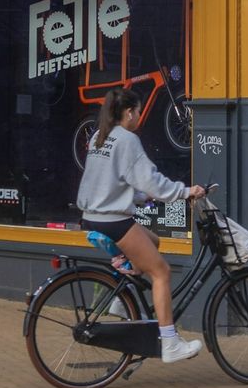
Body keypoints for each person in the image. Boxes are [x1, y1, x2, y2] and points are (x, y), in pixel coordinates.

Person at [76, 86, 207, 365]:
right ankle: (170, 342)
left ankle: (122, 300)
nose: (138, 116)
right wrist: (185, 192)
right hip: (114, 220)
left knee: (153, 242)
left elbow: (107, 180)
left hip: (92, 216)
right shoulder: (127, 140)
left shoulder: (99, 136)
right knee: (161, 271)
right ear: (128, 113)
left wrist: (136, 196)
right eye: (136, 111)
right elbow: (152, 180)